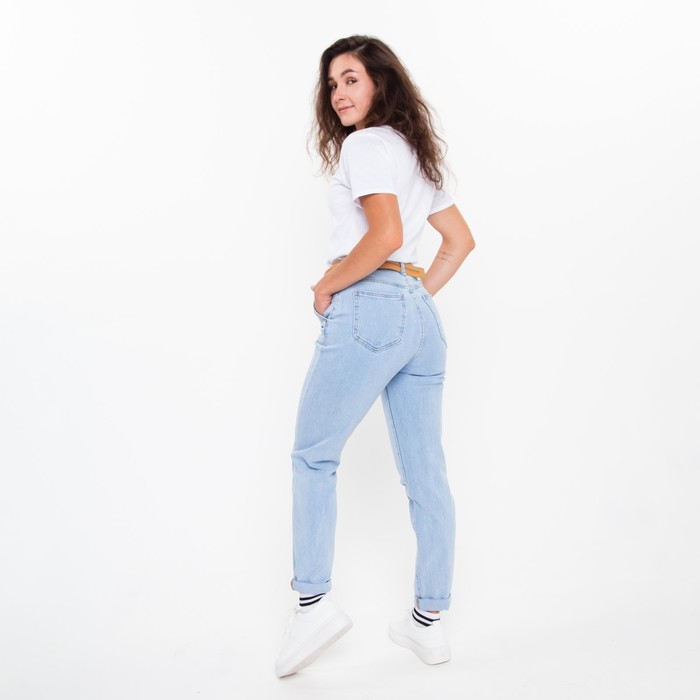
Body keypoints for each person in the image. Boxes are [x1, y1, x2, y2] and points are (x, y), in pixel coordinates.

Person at [275, 35, 476, 678]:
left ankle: (312, 606)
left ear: (381, 83)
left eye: (352, 79)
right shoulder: (416, 153)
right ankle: (429, 622)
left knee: (313, 455)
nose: (338, 93)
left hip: (368, 304)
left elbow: (385, 235)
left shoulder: (365, 147)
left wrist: (327, 284)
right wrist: (410, 298)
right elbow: (459, 242)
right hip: (419, 317)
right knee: (427, 474)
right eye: (332, 83)